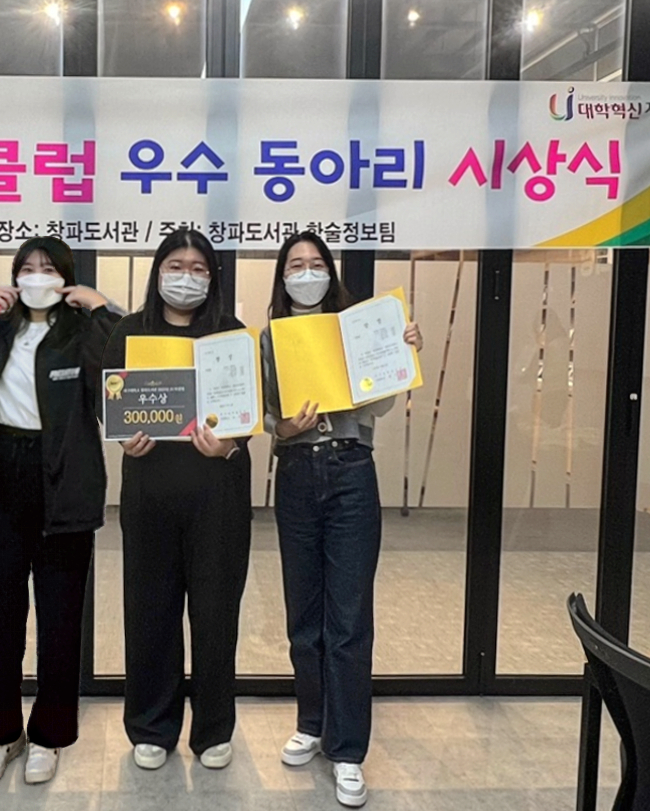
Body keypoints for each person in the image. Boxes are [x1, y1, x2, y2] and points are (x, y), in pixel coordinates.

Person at [0, 236, 119, 787]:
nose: (37, 277)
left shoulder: (79, 330)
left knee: (60, 618)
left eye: (49, 269)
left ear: (66, 278)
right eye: (27, 268)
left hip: (65, 479)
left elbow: (125, 360)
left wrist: (100, 306)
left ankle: (50, 736)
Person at [261, 231, 421, 808]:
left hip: (351, 469)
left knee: (349, 619)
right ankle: (312, 721)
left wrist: (400, 353)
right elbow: (268, 416)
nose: (307, 273)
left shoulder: (358, 326)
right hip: (297, 472)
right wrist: (286, 427)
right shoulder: (271, 337)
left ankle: (348, 748)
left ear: (331, 271)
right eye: (295, 265)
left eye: (316, 263)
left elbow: (380, 403)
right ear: (282, 278)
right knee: (303, 613)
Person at [102, 228, 252, 772]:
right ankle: (151, 725)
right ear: (158, 271)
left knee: (215, 614)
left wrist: (231, 443)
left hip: (218, 493)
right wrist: (123, 436)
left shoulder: (230, 333)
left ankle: (213, 728)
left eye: (198, 269)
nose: (186, 278)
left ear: (212, 277)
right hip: (151, 490)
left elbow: (247, 410)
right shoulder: (129, 331)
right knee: (151, 611)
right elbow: (107, 400)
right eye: (175, 266)